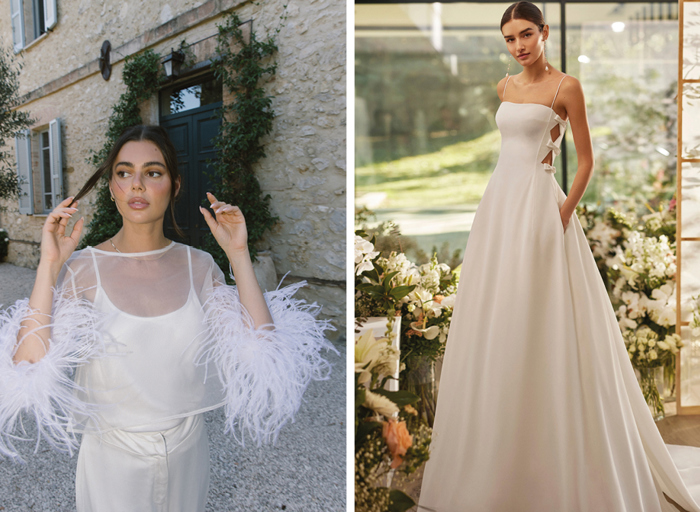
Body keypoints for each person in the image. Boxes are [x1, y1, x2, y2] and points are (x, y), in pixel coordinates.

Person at [417, 3, 700, 511]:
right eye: (509, 38)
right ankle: (495, 454)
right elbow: (511, 149)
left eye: (526, 34)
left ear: (544, 33)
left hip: (542, 209)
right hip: (498, 207)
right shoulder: (504, 87)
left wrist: (564, 211)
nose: (518, 45)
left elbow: (586, 159)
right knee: (497, 316)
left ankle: (559, 455)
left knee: (542, 315)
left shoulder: (566, 87)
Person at [0, 125, 335, 511]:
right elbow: (26, 366)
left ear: (174, 186)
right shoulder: (83, 268)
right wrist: (49, 265)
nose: (137, 185)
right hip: (112, 460)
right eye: (124, 173)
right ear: (111, 188)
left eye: (153, 172)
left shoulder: (199, 265)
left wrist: (239, 255)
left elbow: (263, 353)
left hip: (187, 453)